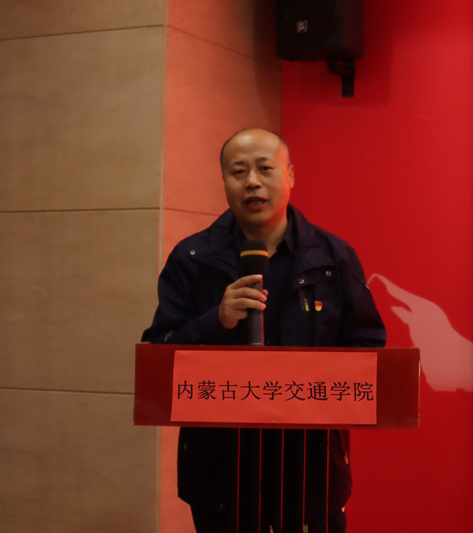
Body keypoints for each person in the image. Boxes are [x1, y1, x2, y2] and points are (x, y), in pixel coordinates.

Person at [142, 128, 386, 533]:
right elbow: (158, 358)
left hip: (311, 470)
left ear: (290, 176)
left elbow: (369, 347)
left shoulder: (333, 257)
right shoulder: (192, 258)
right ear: (224, 182)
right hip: (221, 473)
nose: (252, 182)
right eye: (238, 172)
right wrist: (215, 321)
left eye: (265, 169)